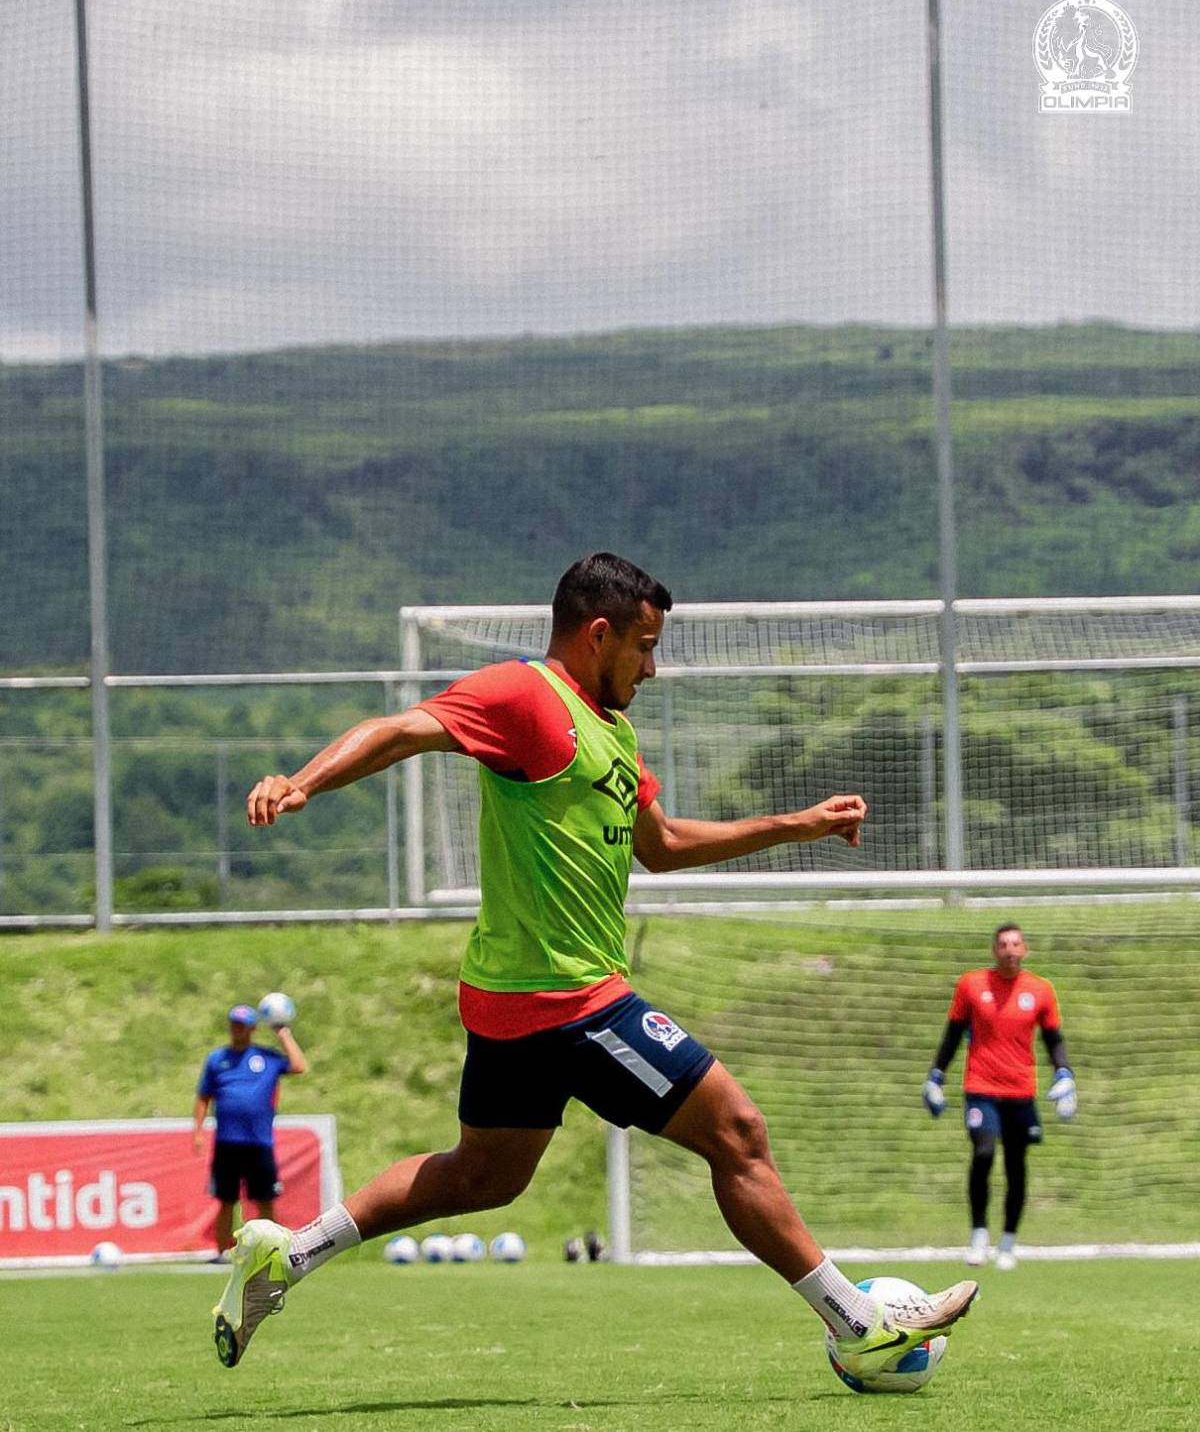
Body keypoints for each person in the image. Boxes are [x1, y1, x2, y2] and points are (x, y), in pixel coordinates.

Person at [214, 552, 978, 1371]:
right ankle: (860, 1327)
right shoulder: (523, 695)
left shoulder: (611, 730)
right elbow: (404, 728)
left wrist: (797, 825)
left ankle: (287, 1257)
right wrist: (302, 782)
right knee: (738, 1132)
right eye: (644, 648)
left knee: (485, 1175)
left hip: (519, 998)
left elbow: (665, 845)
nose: (652, 667)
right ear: (599, 632)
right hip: (568, 998)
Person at [923, 921, 1077, 1270]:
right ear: (995, 950)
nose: (1010, 950)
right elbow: (953, 1033)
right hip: (980, 1088)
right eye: (1003, 944)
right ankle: (979, 1235)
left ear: (1025, 950)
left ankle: (1008, 1242)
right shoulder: (972, 985)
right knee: (983, 1152)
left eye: (1016, 944)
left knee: (1016, 1166)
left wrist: (1065, 1074)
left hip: (1022, 1091)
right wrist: (936, 1076)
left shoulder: (1040, 990)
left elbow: (1053, 1039)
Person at [194, 1002, 308, 1257]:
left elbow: (299, 1066)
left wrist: (283, 1033)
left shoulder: (265, 1057)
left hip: (259, 1142)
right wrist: (198, 1132)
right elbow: (203, 1096)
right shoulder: (217, 1059)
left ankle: (272, 1251)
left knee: (264, 1198)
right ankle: (224, 1252)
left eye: (243, 1026)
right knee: (225, 1200)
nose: (237, 1030)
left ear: (253, 1028)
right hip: (227, 1142)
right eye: (234, 1024)